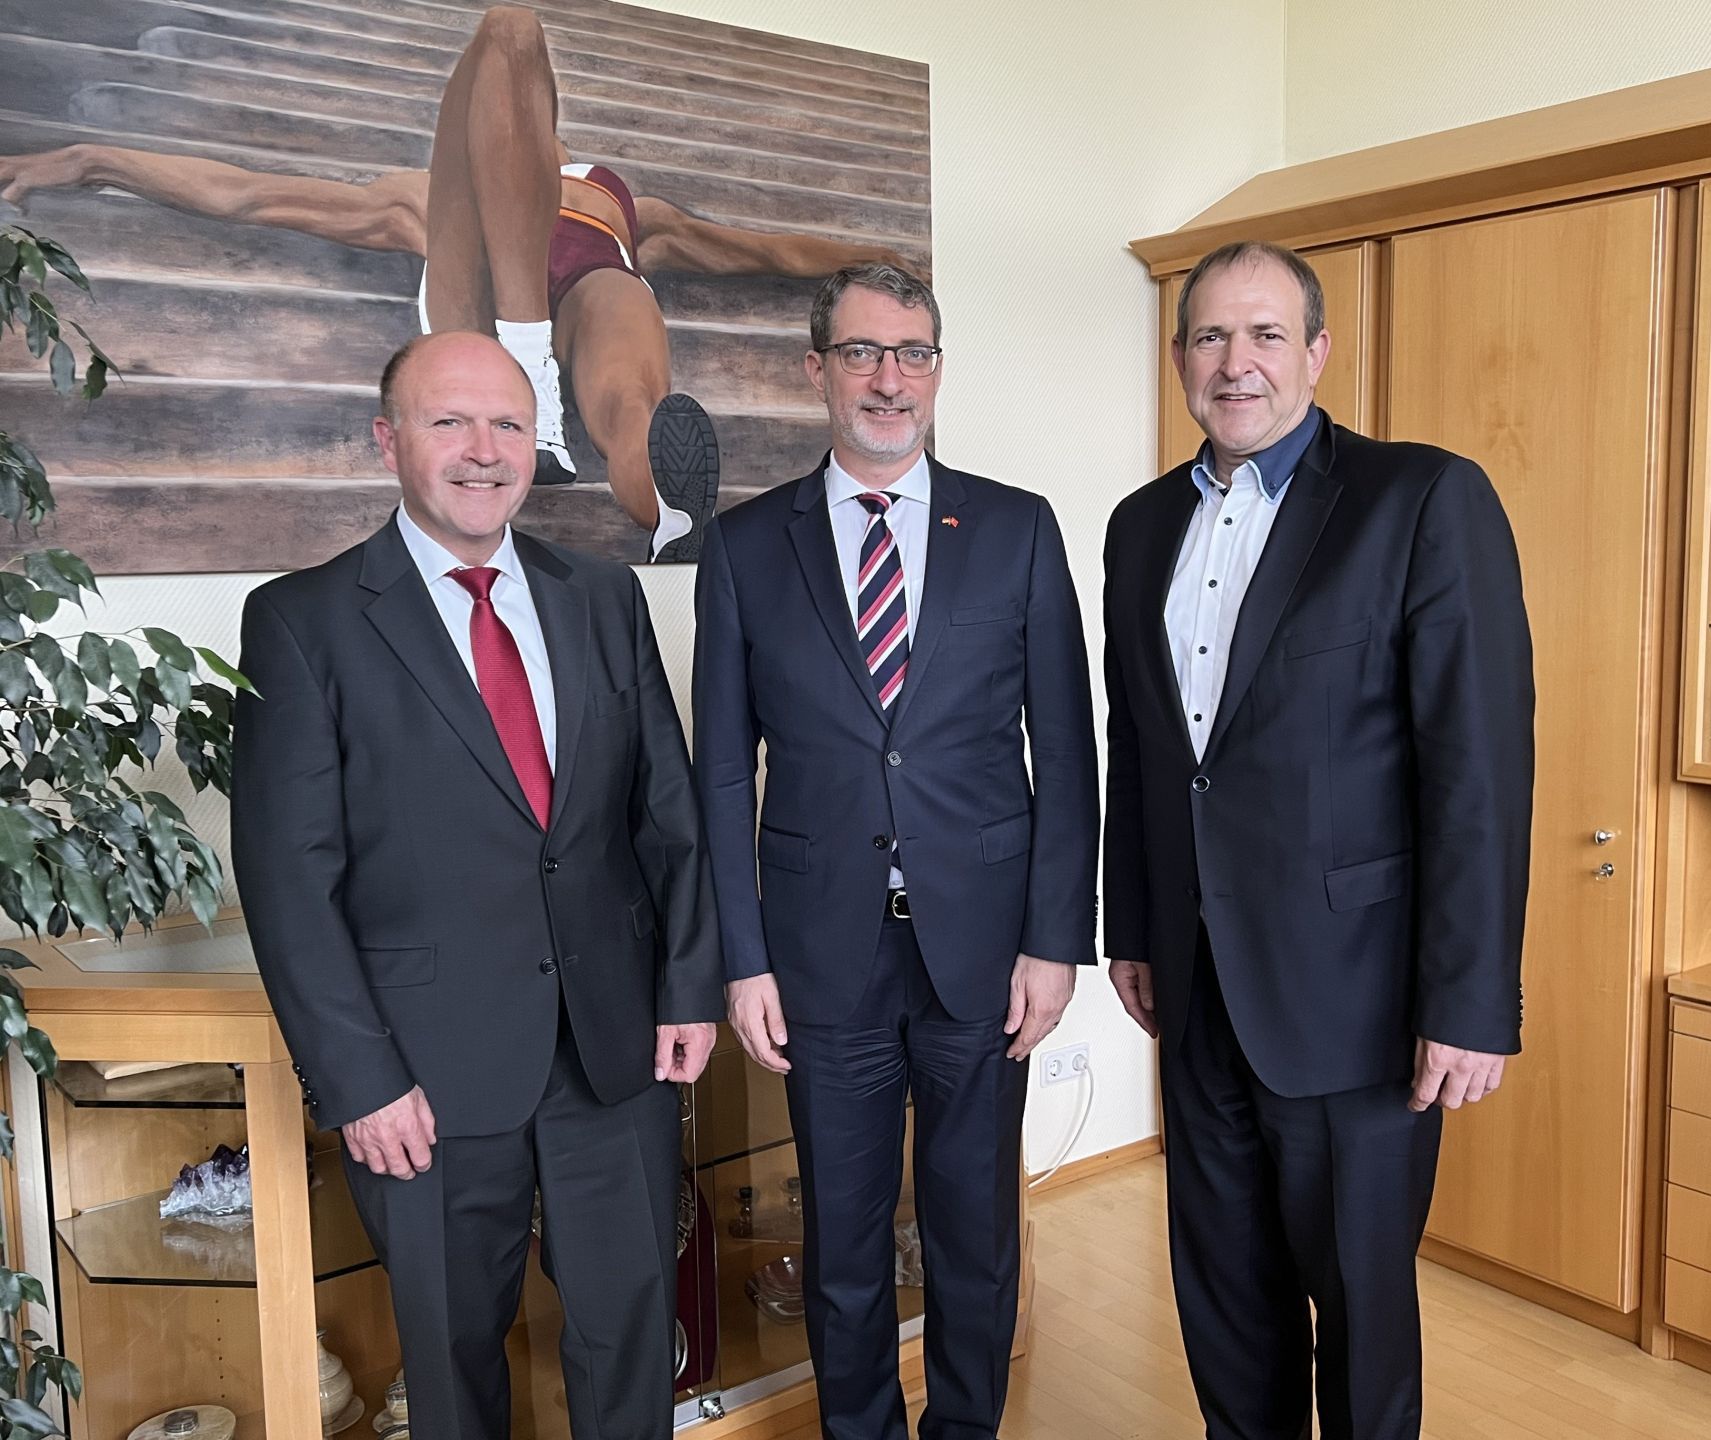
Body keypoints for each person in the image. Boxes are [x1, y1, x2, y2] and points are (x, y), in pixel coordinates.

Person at [231, 330, 723, 1440]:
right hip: (422, 1081)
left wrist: (690, 986)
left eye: (508, 423)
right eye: (449, 421)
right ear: (387, 440)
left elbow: (669, 818)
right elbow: (286, 879)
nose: (483, 450)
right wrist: (358, 1080)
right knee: (453, 1369)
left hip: (614, 1054)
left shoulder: (600, 597)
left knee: (632, 1335)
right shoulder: (303, 623)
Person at [1100, 240, 1534, 1440]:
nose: (1235, 364)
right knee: (1225, 1313)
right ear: (1182, 356)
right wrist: (1130, 928)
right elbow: (1140, 753)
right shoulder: (1139, 529)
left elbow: (1478, 769)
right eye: (1209, 338)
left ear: (1318, 352)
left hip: (1359, 1009)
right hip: (1194, 995)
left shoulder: (1419, 499)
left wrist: (1472, 999)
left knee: (1360, 1325)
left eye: (1266, 335)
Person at [0, 5, 908, 560]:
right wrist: (90, 158)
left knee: (634, 395)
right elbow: (246, 194)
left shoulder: (616, 199)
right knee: (510, 25)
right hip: (477, 305)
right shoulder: (428, 195)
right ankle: (522, 363)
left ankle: (668, 513)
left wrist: (904, 265)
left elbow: (766, 251)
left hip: (592, 287)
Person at [692, 263, 1099, 1440]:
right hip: (823, 961)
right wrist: (744, 956)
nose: (889, 379)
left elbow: (1067, 754)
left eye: (912, 353)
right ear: (816, 368)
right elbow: (726, 771)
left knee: (976, 1231)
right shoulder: (745, 546)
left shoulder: (1016, 528)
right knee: (846, 1239)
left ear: (935, 370)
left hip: (986, 953)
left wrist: (1054, 942)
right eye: (863, 353)